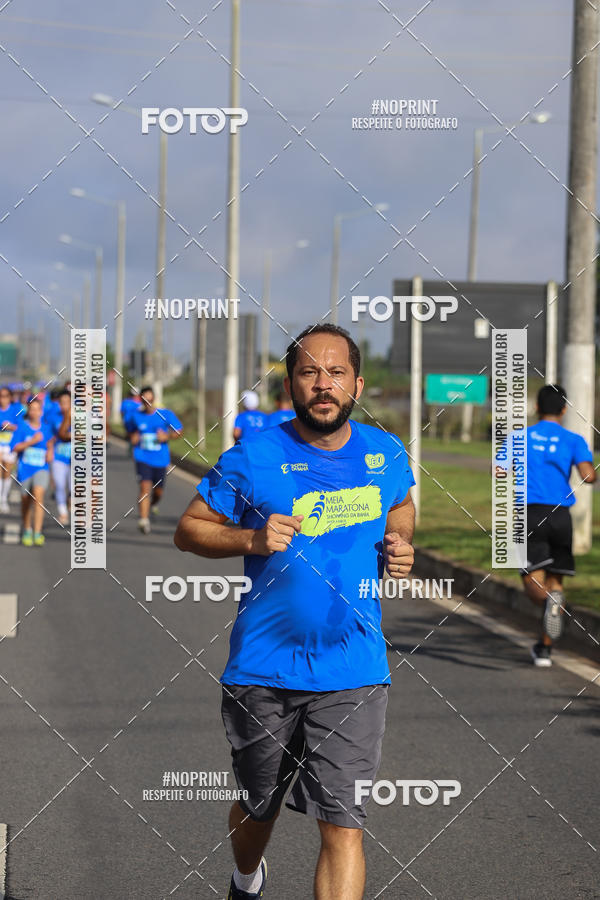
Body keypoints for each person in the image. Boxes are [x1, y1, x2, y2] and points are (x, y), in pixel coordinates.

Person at [175, 323, 415, 900]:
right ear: (290, 385)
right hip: (264, 669)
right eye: (309, 372)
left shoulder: (385, 453)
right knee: (260, 805)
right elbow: (189, 530)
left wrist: (399, 543)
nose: (323, 384)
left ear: (357, 384)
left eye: (336, 373)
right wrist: (252, 539)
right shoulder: (254, 456)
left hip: (353, 669)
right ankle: (246, 877)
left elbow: (401, 506)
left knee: (344, 824)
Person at [496, 384, 596, 667]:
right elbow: (589, 476)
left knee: (532, 579)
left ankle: (547, 604)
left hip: (529, 513)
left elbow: (499, 470)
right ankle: (544, 649)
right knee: (556, 582)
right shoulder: (574, 439)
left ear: (537, 407)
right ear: (564, 410)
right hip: (561, 516)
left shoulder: (519, 437)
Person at [129, 385, 183, 534]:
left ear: (154, 399)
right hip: (142, 457)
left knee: (158, 492)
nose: (148, 403)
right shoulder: (135, 416)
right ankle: (144, 520)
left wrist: (167, 436)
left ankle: (153, 504)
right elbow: (131, 431)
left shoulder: (165, 414)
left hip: (160, 459)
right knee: (144, 487)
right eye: (145, 401)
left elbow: (179, 431)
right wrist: (133, 437)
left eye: (150, 400)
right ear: (141, 400)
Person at [10, 397, 53, 546]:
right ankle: (27, 529)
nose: (34, 412)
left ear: (41, 411)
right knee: (26, 500)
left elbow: (50, 442)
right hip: (25, 469)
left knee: (38, 496)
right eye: (32, 409)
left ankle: (37, 532)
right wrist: (31, 442)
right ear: (29, 411)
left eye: (37, 409)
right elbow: (15, 447)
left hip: (41, 468)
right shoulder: (22, 427)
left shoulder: (46, 428)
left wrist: (50, 452)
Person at [49, 389, 72, 525]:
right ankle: (62, 512)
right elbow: (50, 436)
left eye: (67, 402)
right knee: (59, 485)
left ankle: (70, 499)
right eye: (62, 402)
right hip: (58, 456)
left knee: (73, 487)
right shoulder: (54, 417)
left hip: (76, 458)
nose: (64, 405)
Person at [0, 386, 19, 513]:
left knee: (7, 473)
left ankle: (4, 498)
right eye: (1, 396)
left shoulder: (15, 410)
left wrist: (10, 426)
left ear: (10, 397)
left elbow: (20, 427)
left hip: (10, 445)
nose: (3, 399)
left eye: (6, 396)